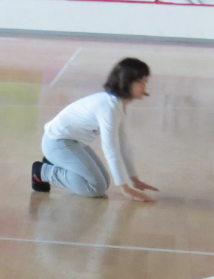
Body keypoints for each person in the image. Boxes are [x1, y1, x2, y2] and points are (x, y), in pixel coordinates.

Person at [31, 57, 158, 201]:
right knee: (95, 188)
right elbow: (110, 148)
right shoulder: (108, 107)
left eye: (145, 81)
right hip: (57, 142)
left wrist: (134, 179)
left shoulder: (119, 105)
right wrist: (125, 188)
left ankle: (58, 162)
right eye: (140, 82)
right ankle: (43, 171)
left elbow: (123, 145)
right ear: (126, 82)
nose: (144, 86)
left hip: (75, 143)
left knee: (104, 182)